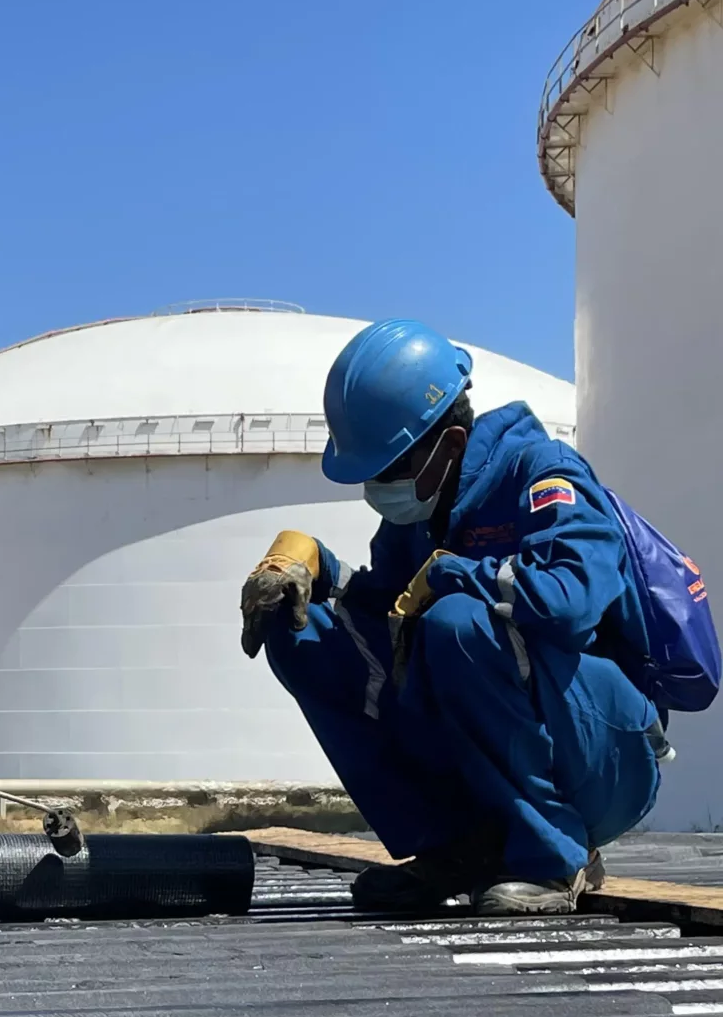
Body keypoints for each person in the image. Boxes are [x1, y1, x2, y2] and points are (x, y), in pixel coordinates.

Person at [239, 318, 665, 916]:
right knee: (299, 630)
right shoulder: (419, 509)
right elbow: (383, 610)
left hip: (602, 757)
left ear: (451, 445)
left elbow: (573, 603)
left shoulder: (543, 474)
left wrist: (458, 574)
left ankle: (552, 857)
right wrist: (312, 565)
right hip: (510, 734)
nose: (376, 488)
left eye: (386, 470)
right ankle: (455, 846)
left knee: (456, 622)